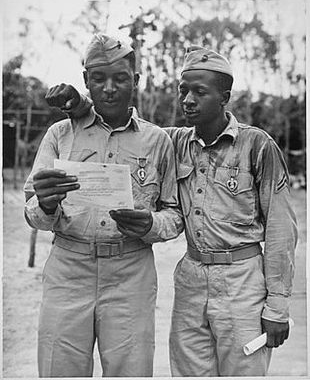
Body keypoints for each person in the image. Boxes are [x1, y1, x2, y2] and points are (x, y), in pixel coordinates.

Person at [48, 46, 298, 377]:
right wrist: (81, 107)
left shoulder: (258, 146)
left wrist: (277, 307)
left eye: (200, 92)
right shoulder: (173, 142)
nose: (188, 100)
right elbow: (123, 131)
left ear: (224, 96)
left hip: (243, 283)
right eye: (183, 91)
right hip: (191, 280)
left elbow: (282, 229)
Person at [24, 33, 184, 378]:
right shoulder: (59, 135)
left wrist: (151, 225)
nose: (109, 88)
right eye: (98, 78)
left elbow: (174, 214)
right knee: (58, 367)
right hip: (68, 269)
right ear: (85, 82)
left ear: (136, 81)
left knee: (131, 369)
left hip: (131, 272)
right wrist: (47, 205)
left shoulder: (157, 141)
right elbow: (31, 210)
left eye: (120, 78)